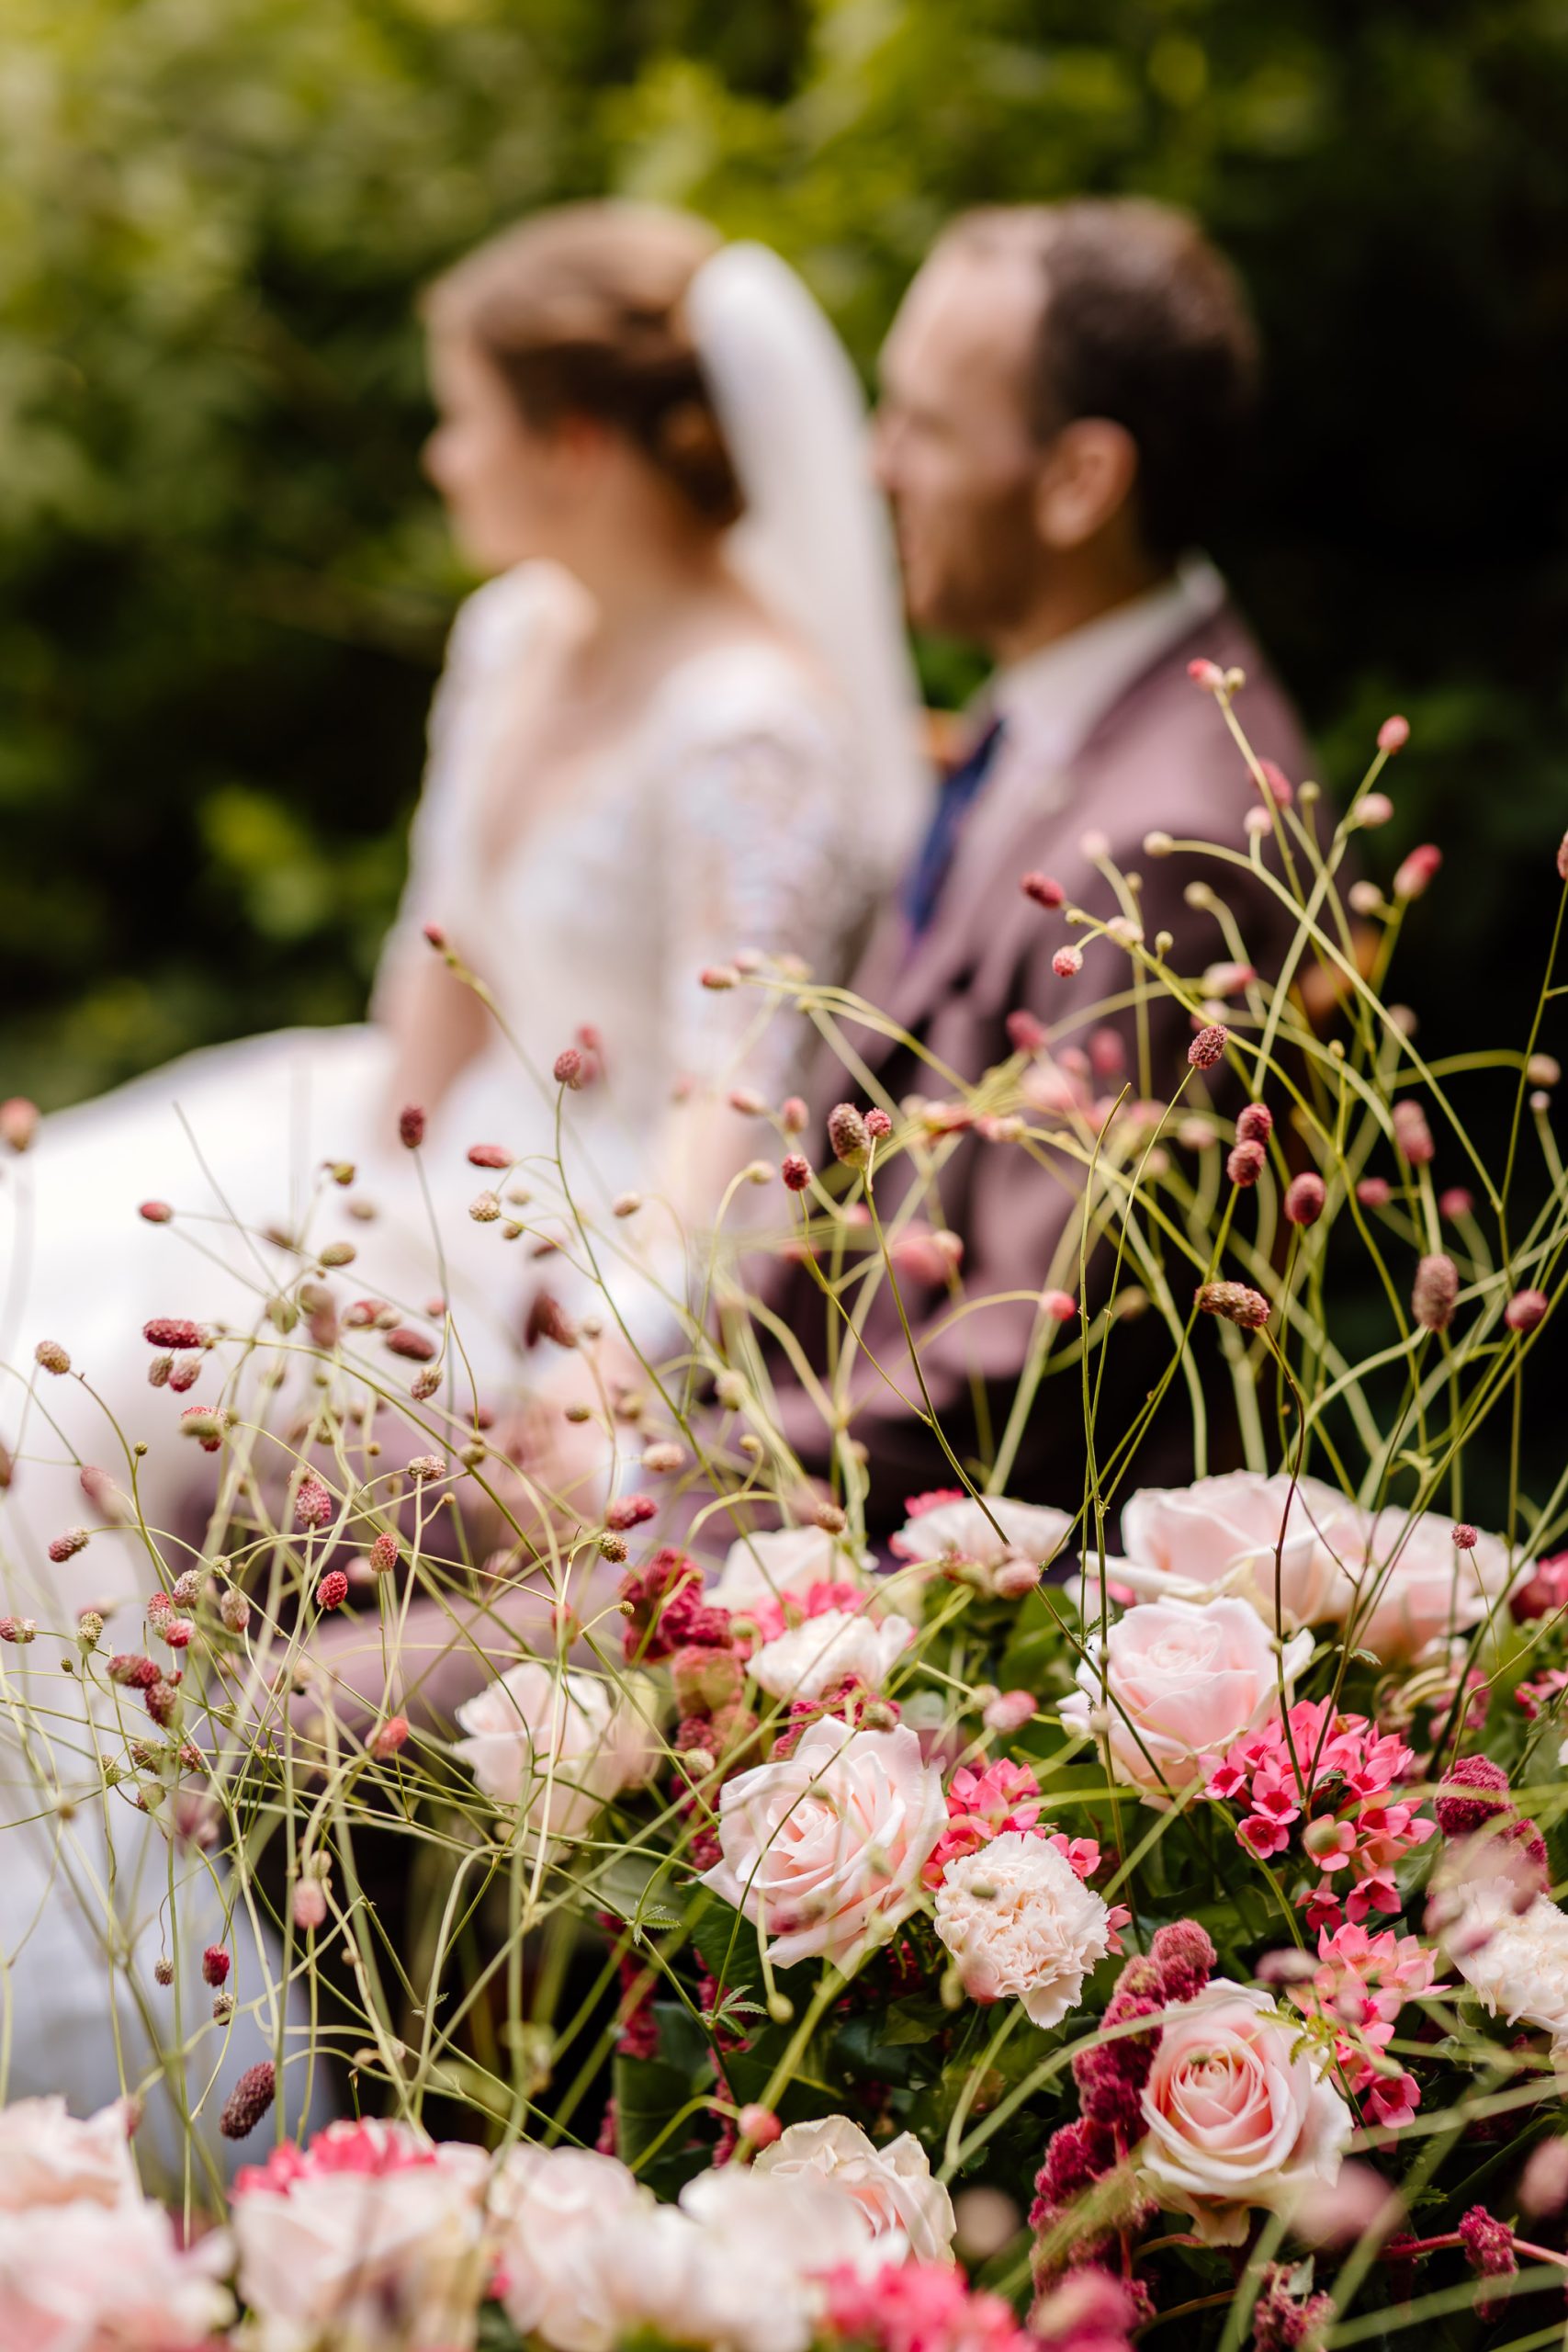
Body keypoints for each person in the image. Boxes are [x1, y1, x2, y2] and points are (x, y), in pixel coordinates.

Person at [0, 205, 925, 2114]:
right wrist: (320, 1217)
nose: (439, 458)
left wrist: (609, 1345)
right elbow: (437, 963)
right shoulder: (513, 633)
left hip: (580, 1252)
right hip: (397, 1163)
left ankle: (143, 2041)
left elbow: (732, 1102)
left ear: (571, 443)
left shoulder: (753, 724)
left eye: (458, 417)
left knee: (58, 1410)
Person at [748, 199, 1312, 1532]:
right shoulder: (1039, 724)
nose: (878, 466)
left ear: (1079, 482)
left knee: (297, 1691)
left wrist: (652, 1470)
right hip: (787, 1456)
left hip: (916, 1573)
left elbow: (1031, 1366)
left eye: (928, 427)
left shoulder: (1160, 853)